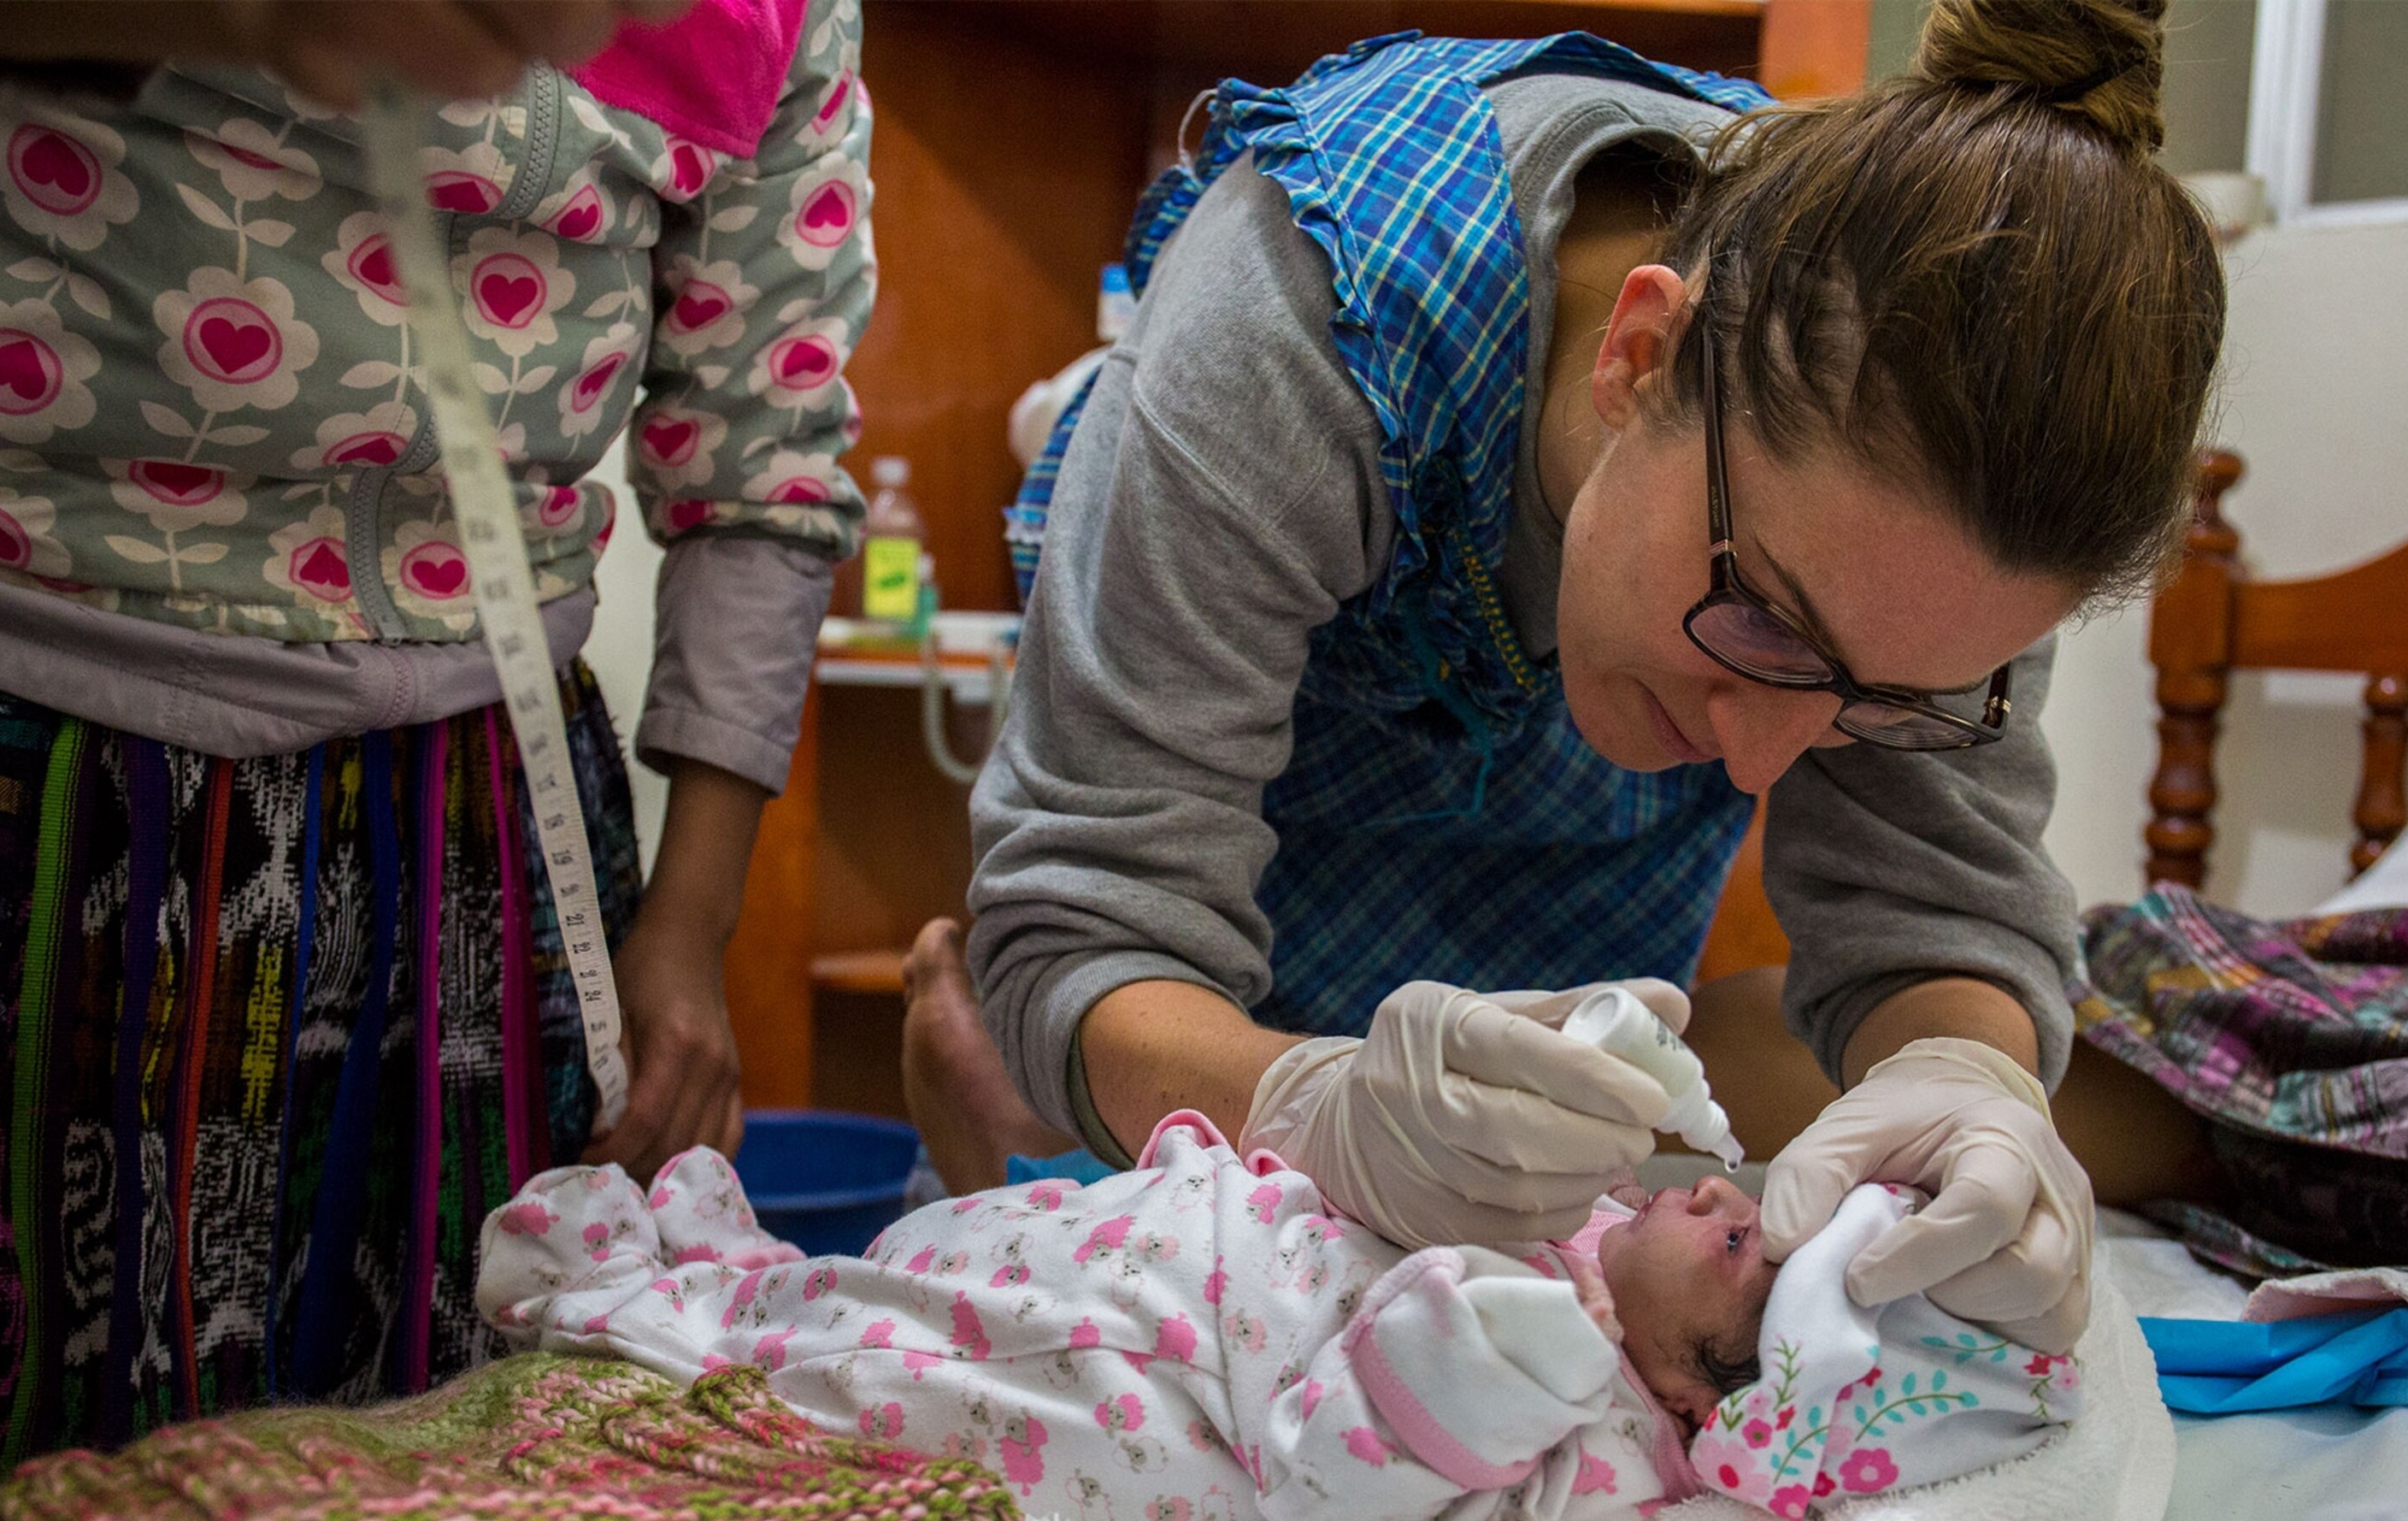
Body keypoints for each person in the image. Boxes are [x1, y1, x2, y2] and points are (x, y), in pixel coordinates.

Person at [922, 0, 2223, 1360]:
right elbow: (1098, 921)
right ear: (1639, 356)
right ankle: (999, 1107)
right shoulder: (1302, 313)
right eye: (1765, 624)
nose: (1768, 764)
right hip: (1222, 952)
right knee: (1078, 1175)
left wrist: (1976, 1084)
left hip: (1579, 954)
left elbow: (1931, 912)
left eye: (1878, 701)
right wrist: (1315, 1102)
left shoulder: (1958, 492)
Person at [0, 0, 874, 1477]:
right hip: (52, 746)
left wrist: (690, 922)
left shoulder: (771, 17)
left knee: (462, 1445)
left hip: (496, 812)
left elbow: (764, 462)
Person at [480, 1108, 2075, 1521]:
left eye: (1750, 1257)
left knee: (841, 1349)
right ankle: (768, 1250)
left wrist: (1490, 1354)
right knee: (925, 1239)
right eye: (1739, 1196)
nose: (1735, 1200)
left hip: (1115, 1354)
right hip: (1165, 1226)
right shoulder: (1586, 1219)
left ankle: (658, 1310)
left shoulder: (1585, 1448)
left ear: (1691, 1392)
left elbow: (1348, 1482)